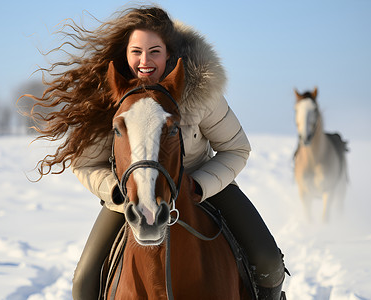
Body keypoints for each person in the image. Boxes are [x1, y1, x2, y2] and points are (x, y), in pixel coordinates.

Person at [29, 6, 286, 300]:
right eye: (136, 51)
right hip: (132, 195)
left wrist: (200, 184)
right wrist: (116, 190)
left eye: (154, 51)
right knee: (83, 281)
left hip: (202, 186)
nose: (145, 61)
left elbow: (236, 148)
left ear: (169, 53)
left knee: (268, 261)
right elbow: (86, 163)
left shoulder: (200, 89)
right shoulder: (111, 98)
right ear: (126, 54)